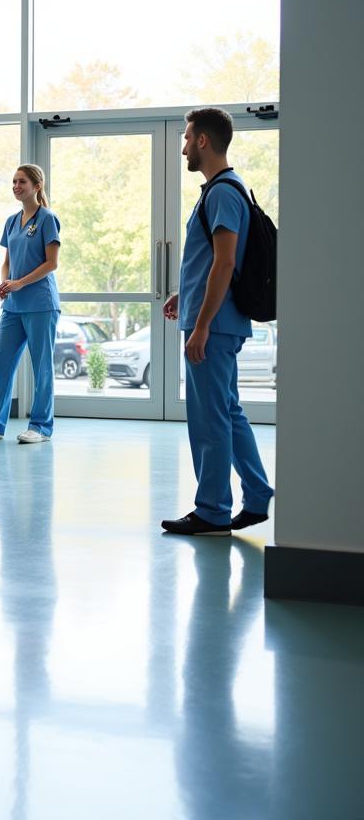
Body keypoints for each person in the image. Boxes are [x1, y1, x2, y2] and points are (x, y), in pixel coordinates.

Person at [162, 107, 274, 536]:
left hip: (216, 325)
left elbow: (226, 262)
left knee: (209, 418)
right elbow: (212, 261)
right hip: (219, 318)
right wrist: (185, 295)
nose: (185, 146)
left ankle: (211, 510)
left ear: (204, 141)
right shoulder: (225, 190)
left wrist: (202, 323)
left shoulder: (223, 192)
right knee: (227, 412)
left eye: (188, 138)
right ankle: (259, 494)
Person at [0, 164, 61, 444]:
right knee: (1, 363)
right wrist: (6, 283)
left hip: (41, 303)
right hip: (13, 306)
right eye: (14, 182)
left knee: (42, 367)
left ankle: (40, 427)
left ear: (36, 186)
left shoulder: (47, 219)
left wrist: (20, 283)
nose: (16, 186)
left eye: (22, 182)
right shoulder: (11, 221)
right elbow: (7, 262)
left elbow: (51, 264)